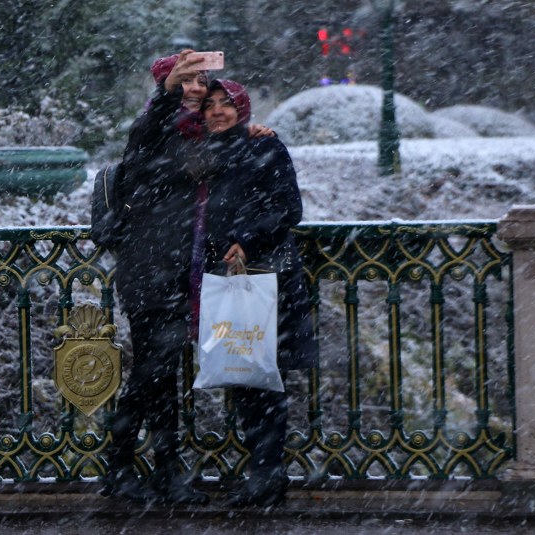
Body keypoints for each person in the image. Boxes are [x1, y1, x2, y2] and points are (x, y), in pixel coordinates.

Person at [100, 52, 274, 505]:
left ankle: (163, 471)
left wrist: (249, 133)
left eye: (202, 80)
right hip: (150, 269)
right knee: (152, 373)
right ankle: (123, 466)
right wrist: (165, 94)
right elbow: (143, 156)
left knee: (161, 376)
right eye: (187, 81)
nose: (198, 89)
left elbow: (225, 161)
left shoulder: (197, 134)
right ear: (166, 85)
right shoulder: (155, 126)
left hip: (184, 271)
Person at [194, 79, 318, 507]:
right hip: (226, 278)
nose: (217, 112)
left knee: (262, 376)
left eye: (226, 105)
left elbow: (288, 207)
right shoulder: (204, 152)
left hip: (264, 277)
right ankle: (264, 474)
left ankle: (266, 474)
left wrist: (247, 239)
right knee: (246, 374)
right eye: (209, 106)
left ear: (242, 108)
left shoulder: (265, 146)